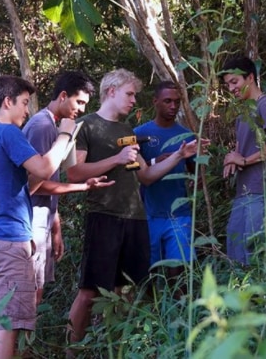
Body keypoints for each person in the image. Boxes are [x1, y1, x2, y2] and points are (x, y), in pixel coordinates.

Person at [0, 75, 108, 359]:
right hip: (12, 242)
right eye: (23, 103)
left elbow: (27, 184)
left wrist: (81, 187)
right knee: (6, 323)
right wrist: (65, 134)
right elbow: (45, 169)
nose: (26, 110)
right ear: (7, 102)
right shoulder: (8, 133)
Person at [65, 69, 203, 346]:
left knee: (125, 289)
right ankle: (71, 351)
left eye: (135, 95)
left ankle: (115, 346)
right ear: (111, 91)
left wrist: (179, 154)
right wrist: (116, 159)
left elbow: (145, 176)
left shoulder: (127, 130)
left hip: (135, 218)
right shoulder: (86, 125)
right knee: (90, 292)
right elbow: (74, 173)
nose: (133, 101)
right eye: (129, 94)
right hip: (104, 216)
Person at [22, 71, 97, 305]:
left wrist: (56, 226)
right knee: (29, 293)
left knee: (37, 289)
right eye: (79, 102)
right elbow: (34, 184)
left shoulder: (55, 126)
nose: (82, 109)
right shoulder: (43, 126)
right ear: (63, 96)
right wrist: (81, 187)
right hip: (30, 220)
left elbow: (49, 178)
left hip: (43, 218)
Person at [221, 57, 266, 265]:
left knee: (256, 255)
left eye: (235, 82)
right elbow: (243, 149)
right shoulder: (243, 113)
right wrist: (232, 158)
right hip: (244, 192)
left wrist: (243, 160)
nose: (231, 88)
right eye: (227, 85)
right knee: (236, 253)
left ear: (250, 78)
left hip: (262, 191)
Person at [134, 81, 200, 282]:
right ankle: (153, 310)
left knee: (178, 272)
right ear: (155, 102)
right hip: (149, 214)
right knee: (149, 273)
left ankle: (180, 310)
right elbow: (135, 173)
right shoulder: (139, 134)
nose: (173, 106)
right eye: (167, 101)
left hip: (179, 214)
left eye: (177, 102)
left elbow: (195, 173)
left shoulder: (186, 135)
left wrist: (199, 157)